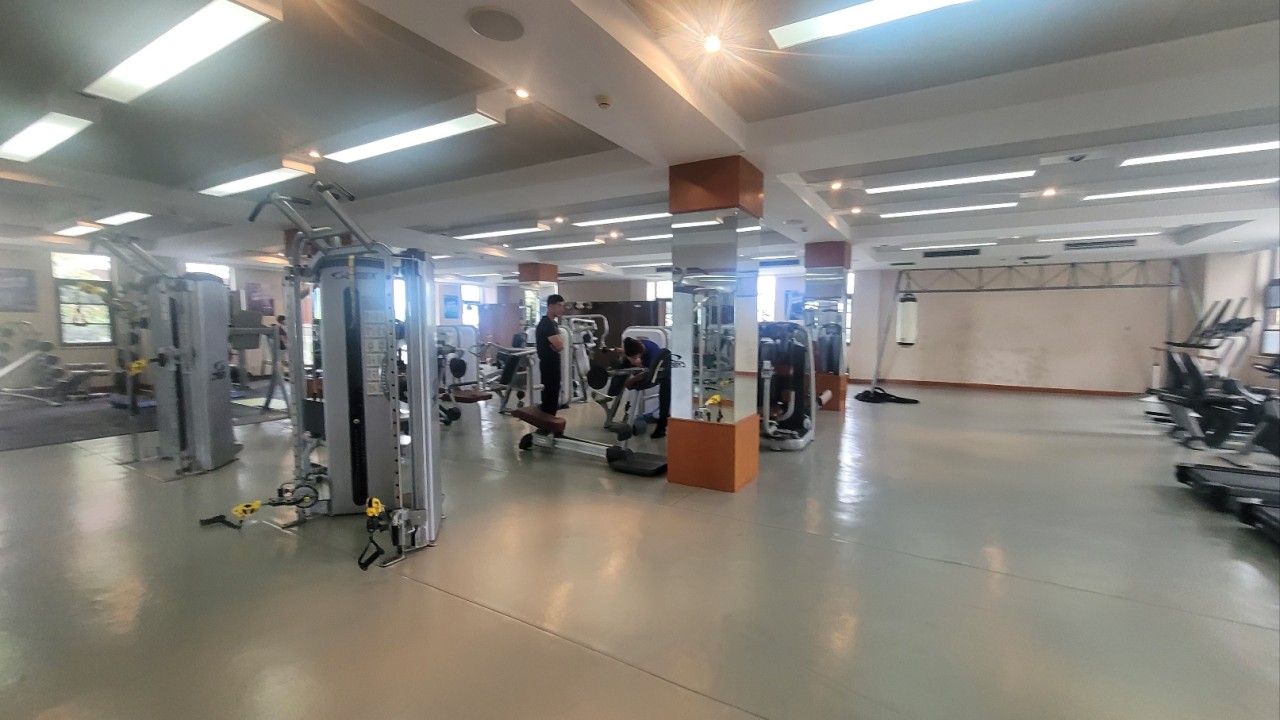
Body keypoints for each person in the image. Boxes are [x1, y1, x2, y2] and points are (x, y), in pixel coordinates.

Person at [610, 337, 671, 439]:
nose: (633, 360)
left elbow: (646, 375)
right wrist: (621, 351)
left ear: (638, 355)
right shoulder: (640, 344)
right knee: (625, 363)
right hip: (652, 366)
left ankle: (661, 429)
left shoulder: (651, 356)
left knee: (664, 398)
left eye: (634, 358)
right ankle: (613, 390)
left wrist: (630, 381)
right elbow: (632, 351)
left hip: (660, 374)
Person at [535, 294, 566, 416]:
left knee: (554, 396)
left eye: (562, 306)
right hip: (548, 365)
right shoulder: (546, 324)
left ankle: (550, 421)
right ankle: (546, 422)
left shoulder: (554, 324)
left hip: (554, 364)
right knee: (549, 396)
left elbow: (560, 344)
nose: (561, 309)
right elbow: (559, 345)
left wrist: (556, 344)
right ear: (550, 306)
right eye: (559, 305)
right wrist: (556, 344)